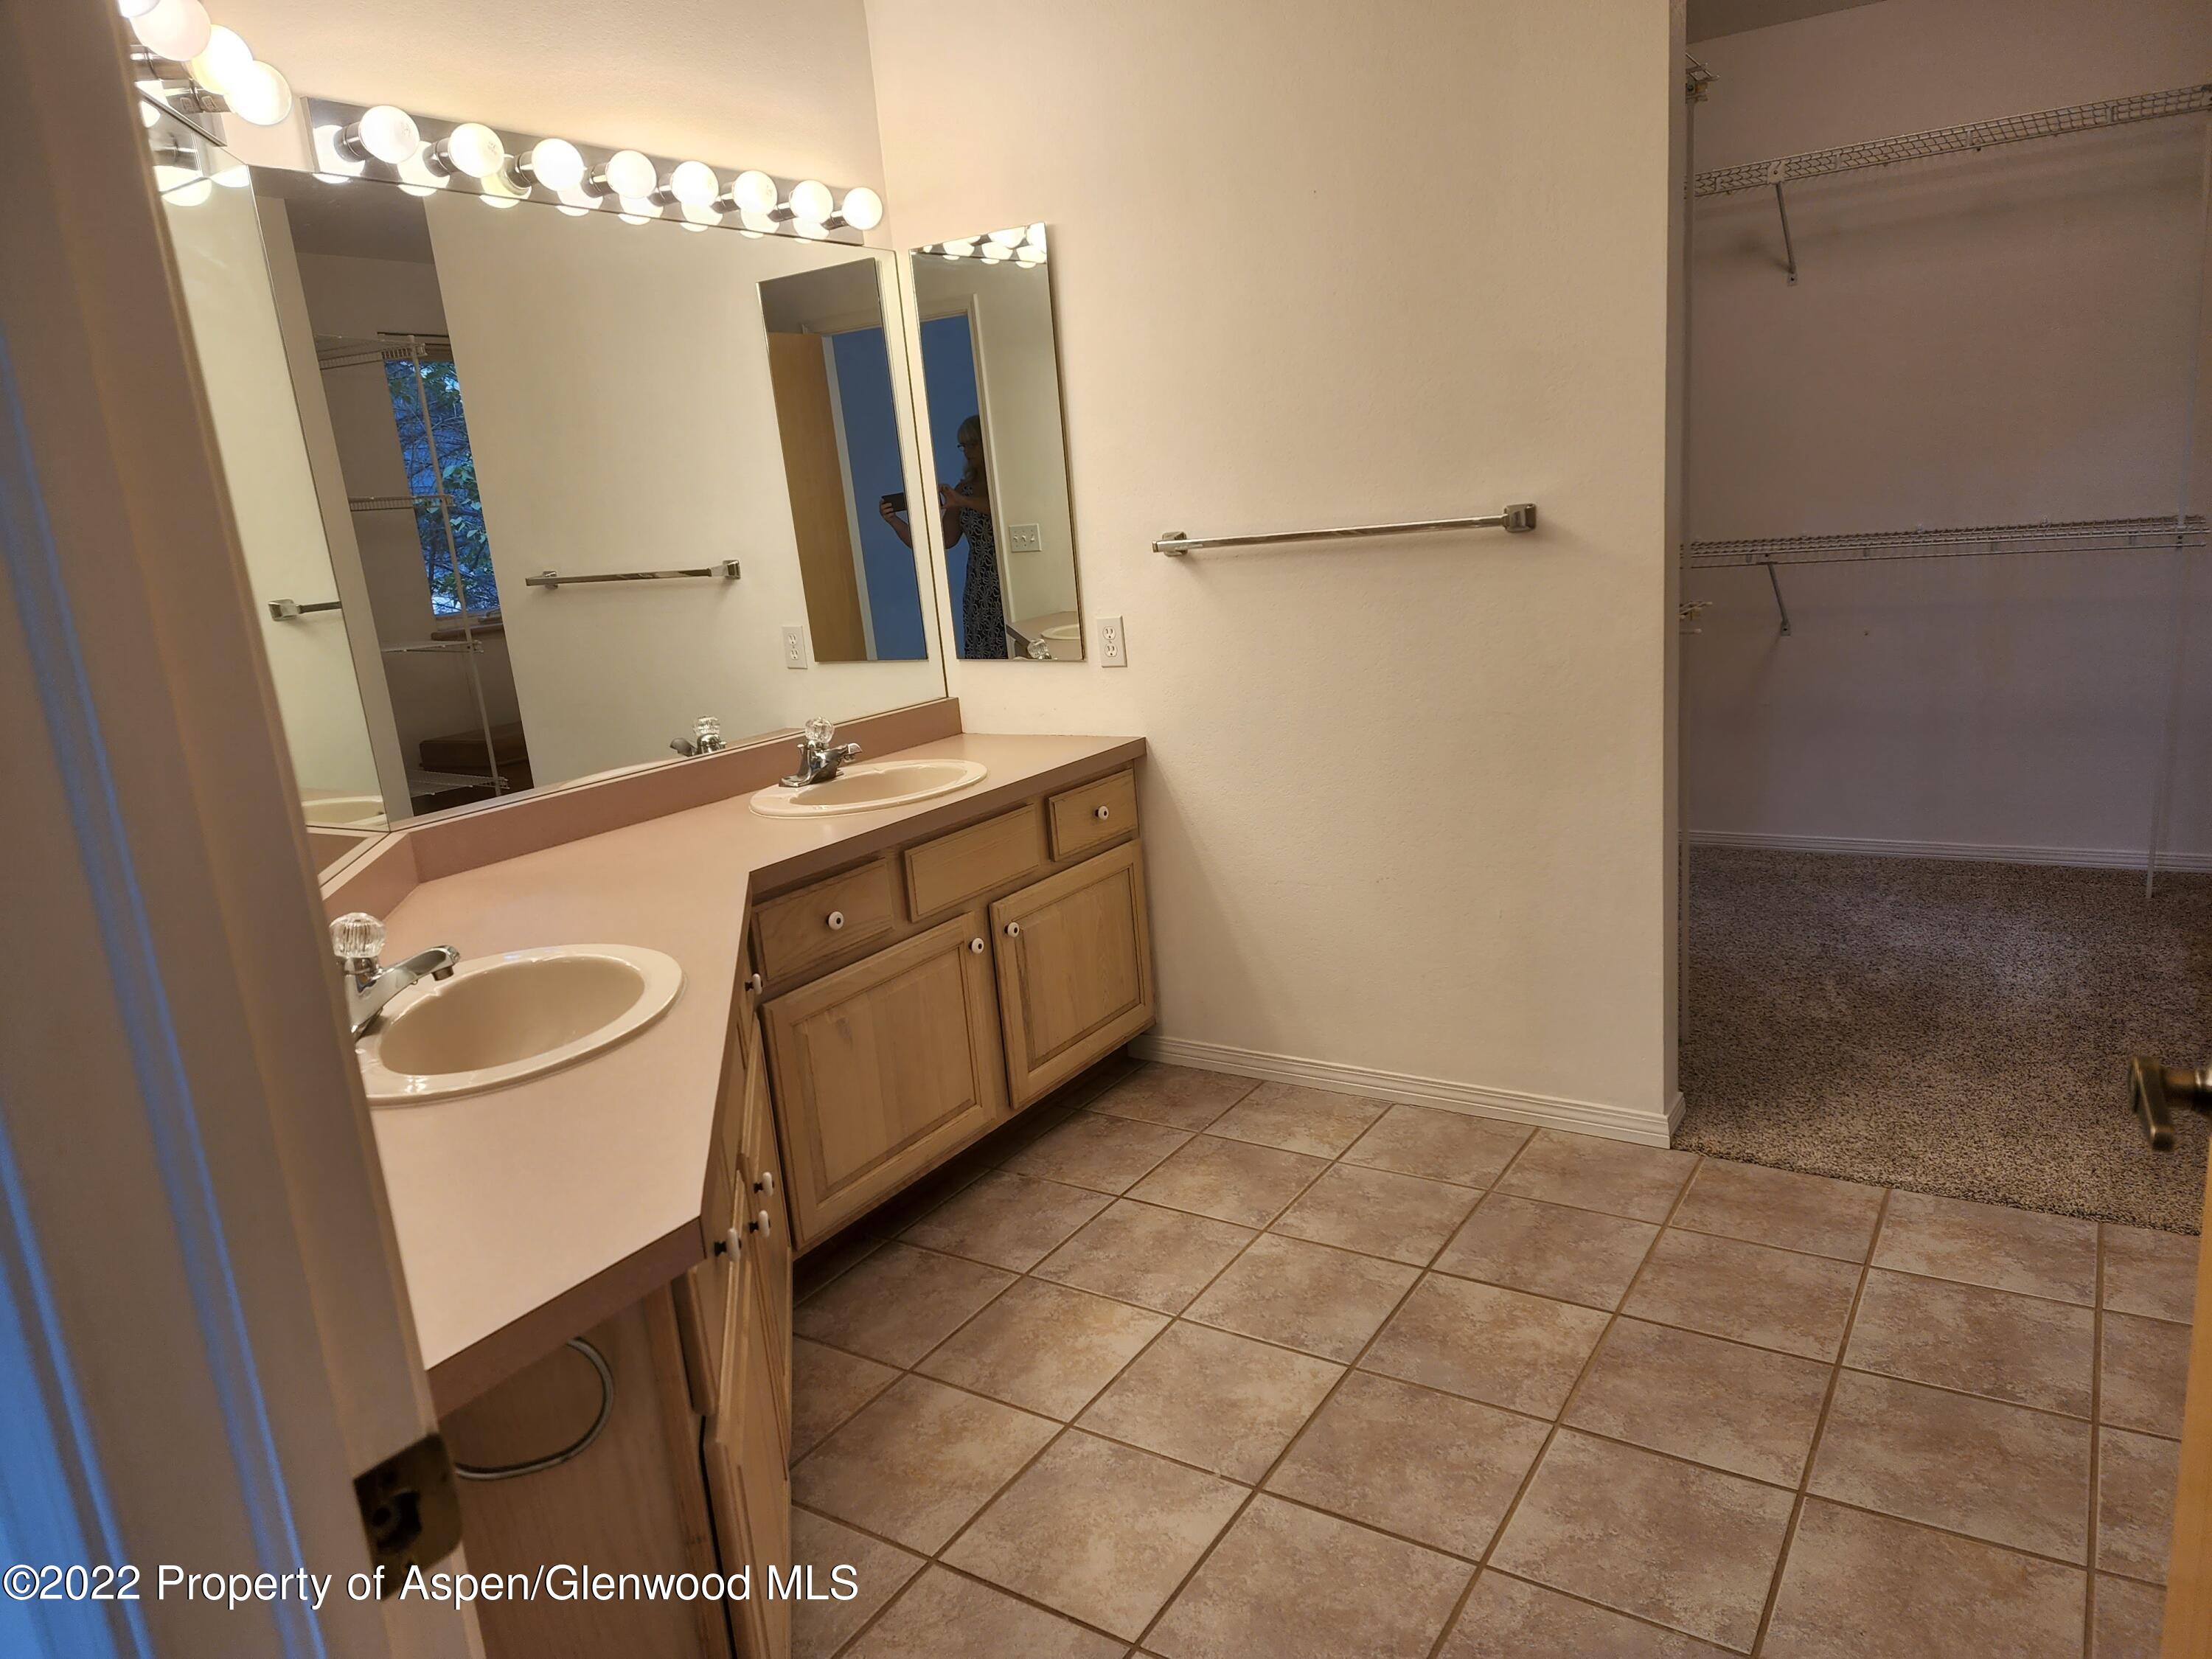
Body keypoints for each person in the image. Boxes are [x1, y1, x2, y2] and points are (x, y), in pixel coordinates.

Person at [881, 414, 1006, 658]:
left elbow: (1007, 508)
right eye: (963, 445)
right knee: (984, 652)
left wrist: (964, 502)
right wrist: (895, 522)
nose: (967, 451)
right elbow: (944, 540)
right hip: (981, 584)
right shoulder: (963, 488)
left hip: (1012, 580)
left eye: (973, 444)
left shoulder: (1006, 482)